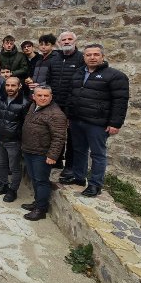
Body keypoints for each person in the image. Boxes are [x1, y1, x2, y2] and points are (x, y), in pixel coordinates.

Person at [61, 44, 129, 197]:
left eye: (96, 54)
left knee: (98, 154)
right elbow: (71, 96)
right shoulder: (78, 73)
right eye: (89, 55)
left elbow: (120, 102)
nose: (92, 57)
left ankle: (95, 184)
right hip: (77, 120)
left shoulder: (115, 76)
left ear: (102, 57)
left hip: (97, 123)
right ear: (84, 57)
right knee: (79, 150)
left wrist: (115, 123)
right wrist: (68, 115)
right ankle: (79, 177)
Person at [20, 86, 67, 221]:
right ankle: (37, 202)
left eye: (46, 96)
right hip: (29, 150)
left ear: (51, 97)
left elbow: (59, 137)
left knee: (41, 181)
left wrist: (52, 155)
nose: (42, 98)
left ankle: (41, 209)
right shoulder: (33, 107)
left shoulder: (56, 114)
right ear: (34, 97)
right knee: (34, 179)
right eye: (39, 95)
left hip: (41, 154)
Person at [48, 31, 83, 175]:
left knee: (72, 136)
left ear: (75, 41)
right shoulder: (54, 59)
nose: (67, 42)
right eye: (64, 40)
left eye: (70, 39)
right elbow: (49, 79)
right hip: (55, 103)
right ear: (59, 43)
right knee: (54, 133)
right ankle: (55, 160)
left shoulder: (81, 58)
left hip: (73, 104)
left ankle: (70, 166)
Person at [0, 77, 29, 202]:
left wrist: (21, 140)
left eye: (13, 86)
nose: (10, 88)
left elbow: (25, 125)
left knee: (14, 167)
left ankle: (13, 190)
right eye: (8, 85)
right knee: (1, 164)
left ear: (19, 86)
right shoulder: (0, 98)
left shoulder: (25, 103)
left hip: (13, 141)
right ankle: (3, 184)